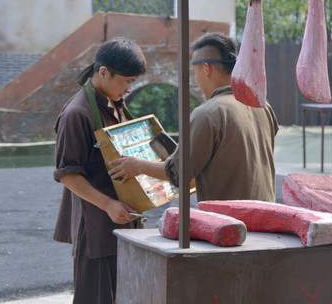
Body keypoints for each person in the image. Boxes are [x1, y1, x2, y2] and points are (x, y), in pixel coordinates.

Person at [108, 32, 278, 202]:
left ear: (206, 69)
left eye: (194, 71)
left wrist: (138, 166)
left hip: (230, 221)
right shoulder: (261, 106)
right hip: (266, 215)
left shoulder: (208, 113)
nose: (195, 78)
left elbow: (178, 173)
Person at [52, 37, 147, 304]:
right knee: (95, 297)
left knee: (125, 294)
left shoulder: (114, 102)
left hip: (125, 219)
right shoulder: (76, 113)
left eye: (133, 82)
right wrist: (107, 204)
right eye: (126, 81)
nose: (129, 88)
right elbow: (68, 174)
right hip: (95, 225)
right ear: (103, 72)